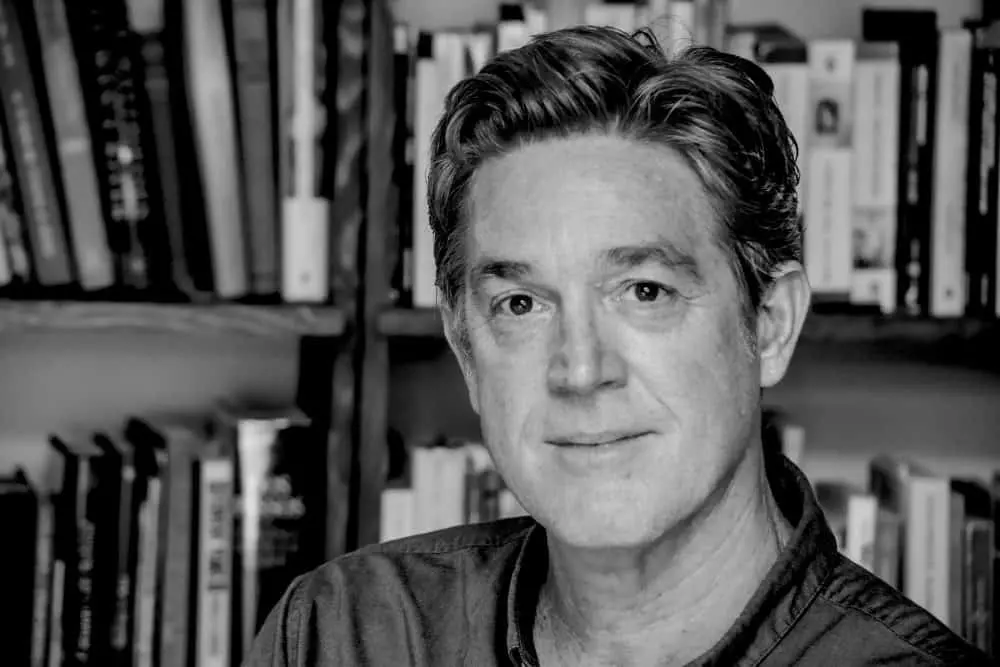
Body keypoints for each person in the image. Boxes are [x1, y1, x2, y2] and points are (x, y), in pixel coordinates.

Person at [247, 25, 991, 666]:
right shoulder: (341, 634)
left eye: (644, 291)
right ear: (468, 351)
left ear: (770, 322)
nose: (579, 369)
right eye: (521, 303)